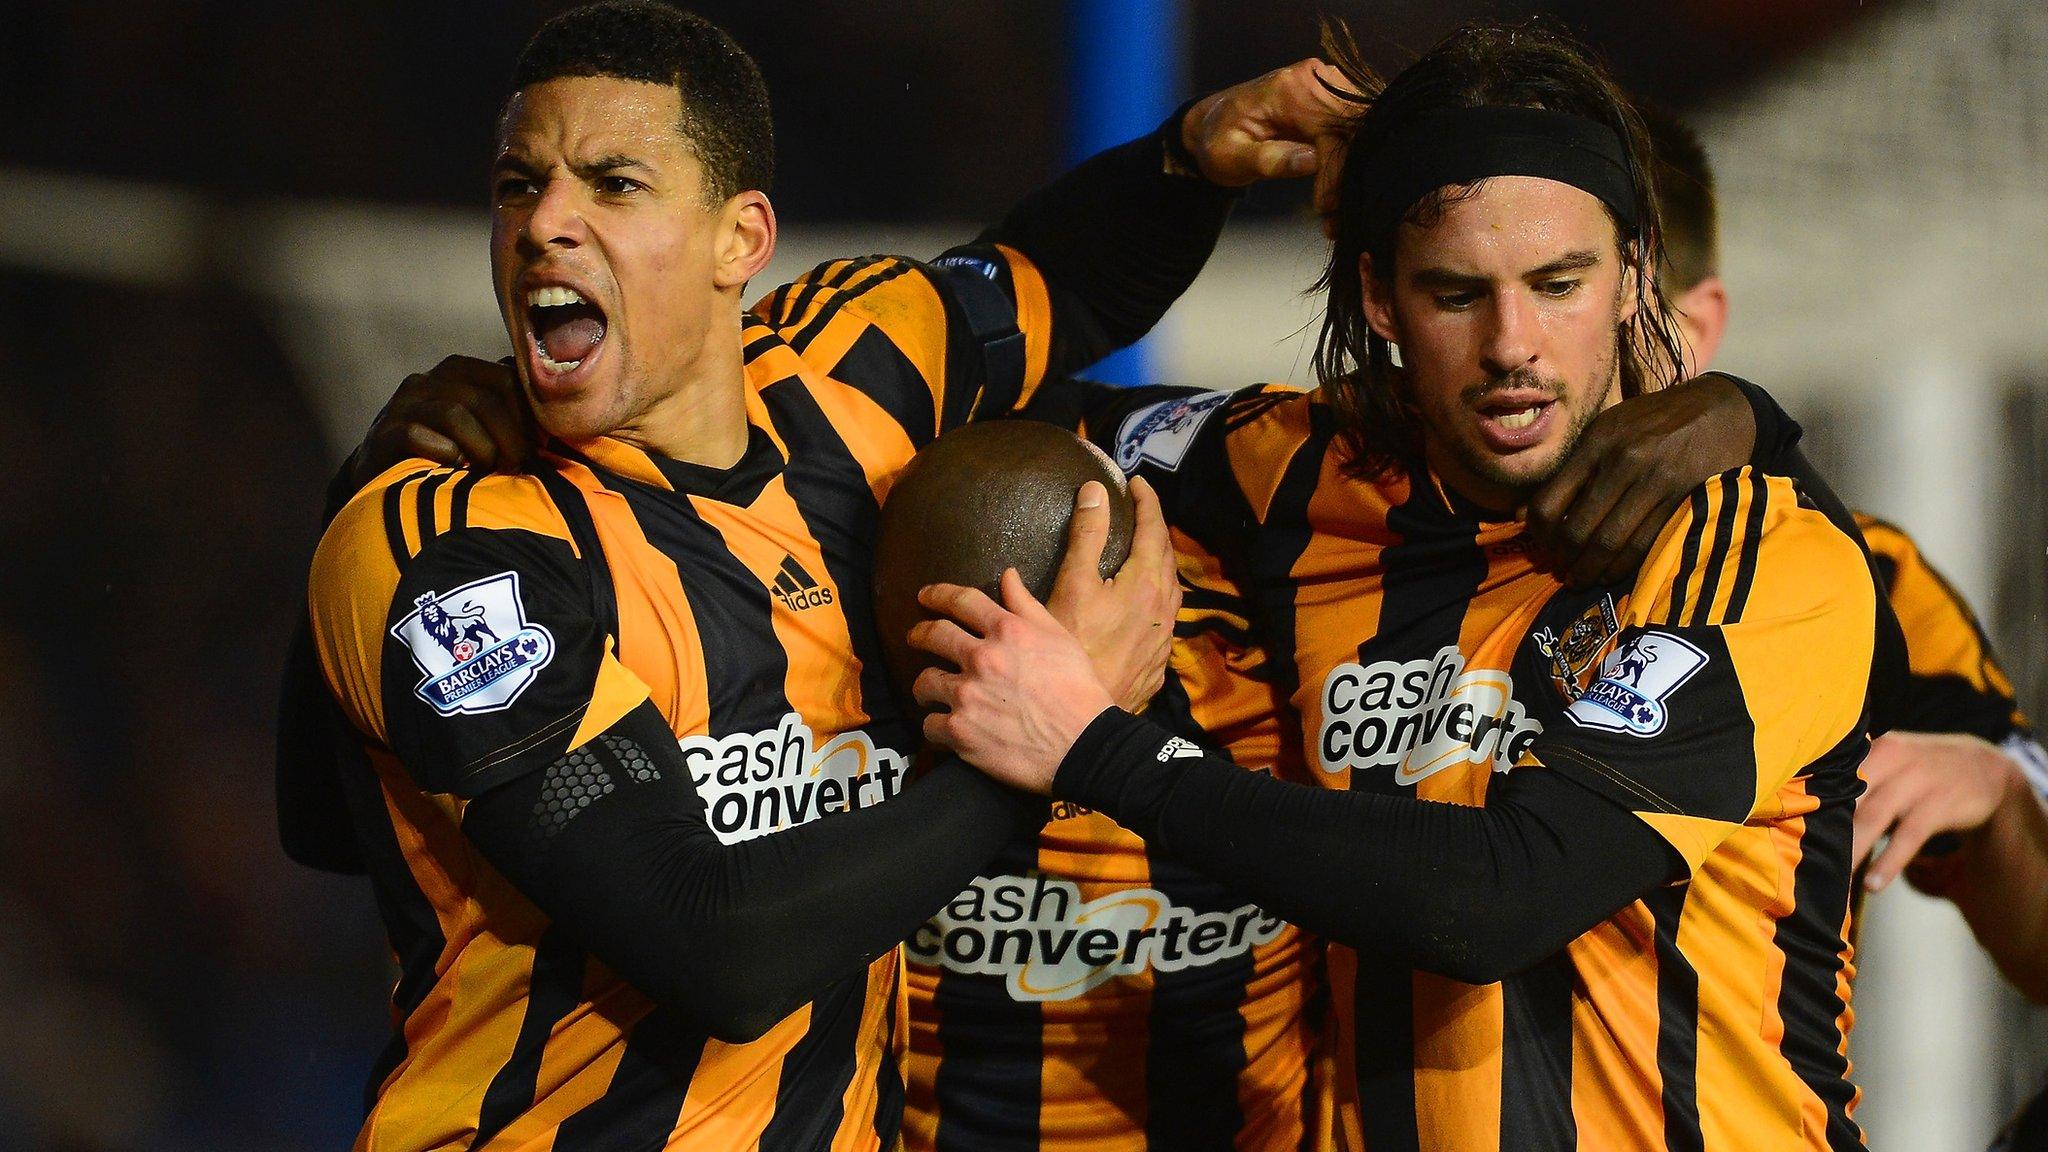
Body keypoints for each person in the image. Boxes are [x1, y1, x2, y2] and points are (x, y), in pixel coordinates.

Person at [308, 21, 1792, 1152]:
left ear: (739, 240)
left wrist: (1191, 157)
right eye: (521, 185)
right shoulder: (467, 545)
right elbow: (718, 946)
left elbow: (1053, 285)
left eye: (610, 182)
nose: (547, 222)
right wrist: (1054, 741)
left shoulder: (860, 380)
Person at [910, 22, 1888, 1152]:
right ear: (1377, 297)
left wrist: (1093, 748)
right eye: (1455, 293)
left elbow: (1503, 899)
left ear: (1631, 274)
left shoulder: (1755, 552)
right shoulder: (1297, 478)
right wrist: (1181, 164)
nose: (1512, 342)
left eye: (1558, 283)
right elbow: (938, 385)